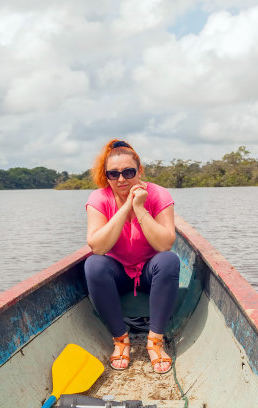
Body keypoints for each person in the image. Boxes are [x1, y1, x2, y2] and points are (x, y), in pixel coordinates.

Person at [84, 139, 180, 374]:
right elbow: (97, 247)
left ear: (139, 171)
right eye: (113, 174)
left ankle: (155, 341)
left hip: (150, 271)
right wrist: (126, 207)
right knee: (93, 265)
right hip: (117, 273)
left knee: (169, 261)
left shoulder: (158, 194)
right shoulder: (100, 198)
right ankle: (120, 339)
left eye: (128, 172)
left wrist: (140, 208)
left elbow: (165, 243)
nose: (121, 179)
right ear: (105, 176)